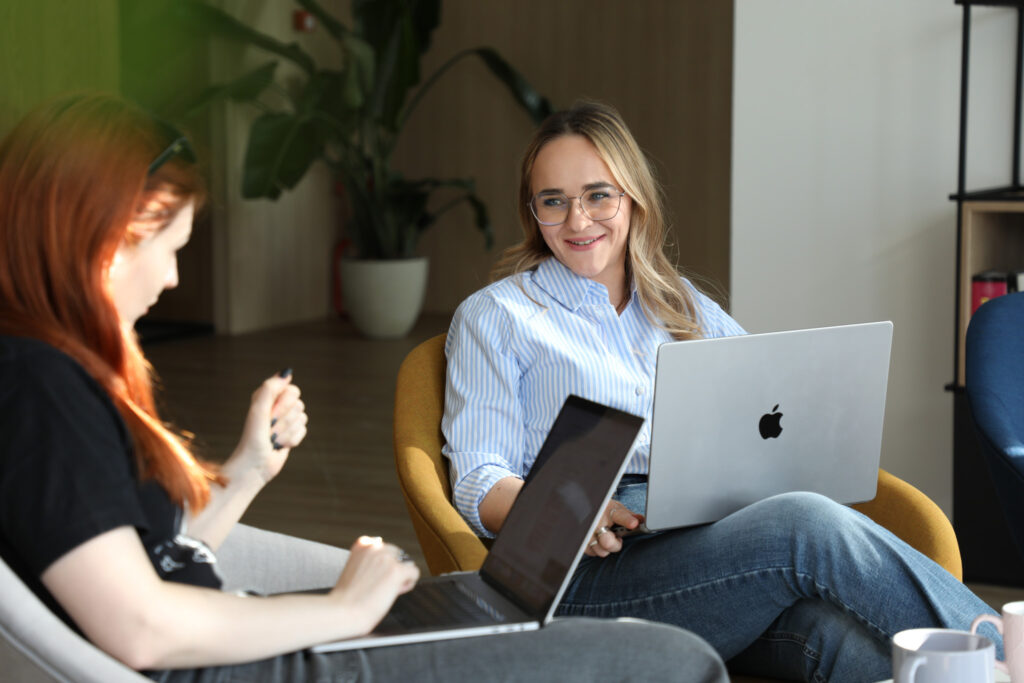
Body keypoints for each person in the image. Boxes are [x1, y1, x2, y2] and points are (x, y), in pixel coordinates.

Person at [0, 93, 730, 683]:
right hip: (246, 661)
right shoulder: (37, 386)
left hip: (248, 639)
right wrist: (343, 609)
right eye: (168, 249)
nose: (172, 279)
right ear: (103, 240)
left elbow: (156, 554)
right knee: (674, 658)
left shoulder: (52, 372)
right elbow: (141, 626)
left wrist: (250, 466)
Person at [441, 100, 1001, 683]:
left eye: (598, 195)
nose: (578, 221)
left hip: (702, 549)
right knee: (802, 525)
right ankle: (1009, 656)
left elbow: (766, 406)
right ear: (533, 213)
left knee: (838, 641)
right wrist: (574, 511)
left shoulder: (679, 303)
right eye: (553, 201)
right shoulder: (496, 316)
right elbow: (477, 480)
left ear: (633, 199)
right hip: (585, 574)